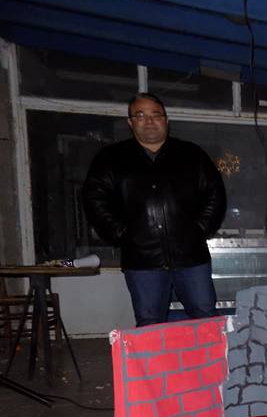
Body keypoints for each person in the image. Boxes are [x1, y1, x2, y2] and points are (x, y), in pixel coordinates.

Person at [81, 92, 227, 327]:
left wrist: (199, 229)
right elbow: (94, 200)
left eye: (155, 115)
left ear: (166, 120)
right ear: (131, 122)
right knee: (149, 323)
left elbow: (215, 194)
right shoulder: (111, 158)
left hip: (191, 257)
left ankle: (211, 354)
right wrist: (122, 234)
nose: (149, 121)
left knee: (205, 316)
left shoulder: (191, 154)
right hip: (142, 260)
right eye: (140, 115)